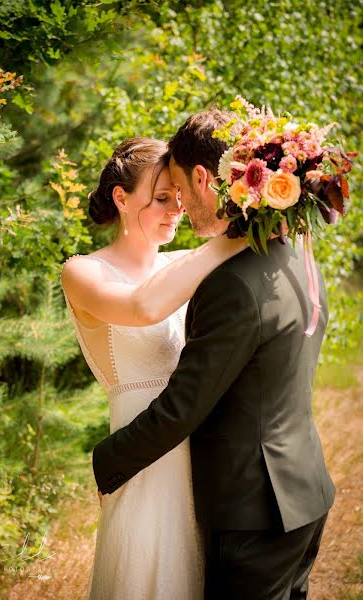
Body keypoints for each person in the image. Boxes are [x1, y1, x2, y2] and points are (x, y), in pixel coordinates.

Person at [92, 112, 336, 600]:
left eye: (179, 188)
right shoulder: (291, 257)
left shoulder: (231, 284)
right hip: (302, 490)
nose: (179, 204)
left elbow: (186, 403)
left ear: (203, 178)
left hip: (254, 510)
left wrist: (107, 459)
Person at [60, 137, 249, 600]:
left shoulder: (186, 262)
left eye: (180, 198)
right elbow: (144, 307)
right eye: (162, 198)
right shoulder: (83, 272)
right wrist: (232, 238)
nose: (176, 210)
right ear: (121, 199)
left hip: (204, 451)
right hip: (142, 454)